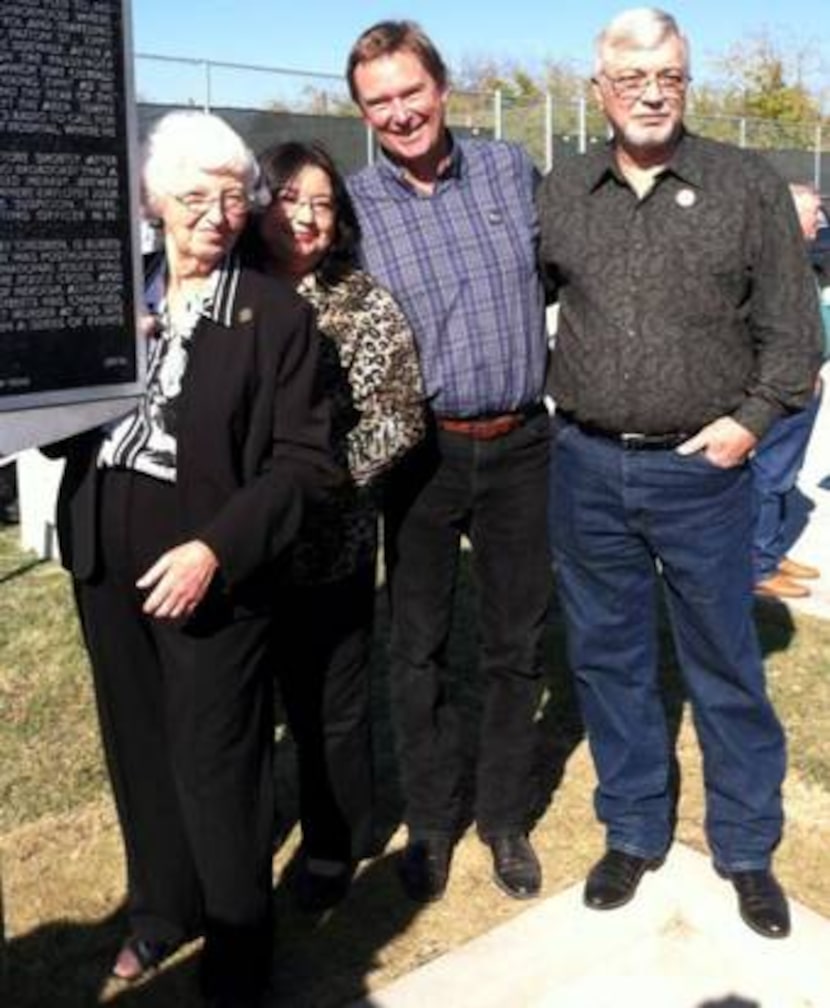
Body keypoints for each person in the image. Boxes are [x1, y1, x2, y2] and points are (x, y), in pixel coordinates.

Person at [537, 8, 822, 939]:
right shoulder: (564, 190)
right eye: (631, 77)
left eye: (669, 75)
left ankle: (745, 848)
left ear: (687, 84)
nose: (651, 91)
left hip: (702, 476)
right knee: (610, 663)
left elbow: (793, 337)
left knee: (726, 666)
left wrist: (747, 426)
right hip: (585, 469)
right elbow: (520, 302)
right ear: (599, 89)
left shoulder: (743, 186)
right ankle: (633, 830)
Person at [46, 111, 332, 1007]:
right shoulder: (105, 287)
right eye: (193, 194)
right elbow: (59, 434)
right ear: (153, 199)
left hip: (210, 562)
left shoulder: (275, 313)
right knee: (138, 745)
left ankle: (240, 949)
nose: (214, 212)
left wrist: (216, 548)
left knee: (219, 760)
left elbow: (307, 464)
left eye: (231, 195)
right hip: (104, 552)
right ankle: (159, 912)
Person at [345, 20, 551, 903]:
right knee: (417, 647)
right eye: (378, 101)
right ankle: (432, 820)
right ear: (362, 112)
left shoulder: (510, 171)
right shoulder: (352, 205)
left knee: (516, 643)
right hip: (420, 457)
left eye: (410, 91)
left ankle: (504, 817)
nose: (399, 112)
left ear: (442, 86)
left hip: (522, 448)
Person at [246, 141, 425, 910]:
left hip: (329, 541)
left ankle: (335, 840)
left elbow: (399, 416)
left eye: (321, 202)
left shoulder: (361, 300)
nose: (306, 217)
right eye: (289, 198)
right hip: (237, 548)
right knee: (245, 706)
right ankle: (241, 841)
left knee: (334, 702)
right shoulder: (229, 292)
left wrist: (316, 484)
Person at [751, 182, 830, 599]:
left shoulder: (800, 258)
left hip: (805, 382)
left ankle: (771, 551)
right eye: (813, 212)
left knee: (785, 475)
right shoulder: (771, 262)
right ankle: (757, 567)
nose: (821, 220)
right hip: (781, 388)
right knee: (769, 476)